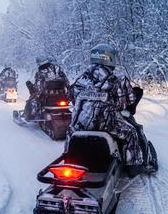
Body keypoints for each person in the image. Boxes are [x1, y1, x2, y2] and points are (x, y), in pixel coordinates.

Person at [68, 43, 154, 176]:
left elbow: (71, 96)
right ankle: (134, 167)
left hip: (81, 123)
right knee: (131, 132)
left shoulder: (82, 78)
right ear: (110, 58)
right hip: (106, 124)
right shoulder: (117, 78)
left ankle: (68, 157)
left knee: (71, 131)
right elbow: (126, 101)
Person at [24, 56, 69, 120]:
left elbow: (38, 87)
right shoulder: (58, 70)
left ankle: (34, 116)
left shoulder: (40, 72)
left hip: (47, 97)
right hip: (61, 95)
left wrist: (31, 86)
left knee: (33, 100)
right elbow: (66, 82)